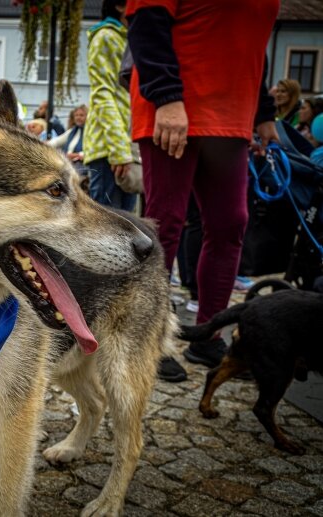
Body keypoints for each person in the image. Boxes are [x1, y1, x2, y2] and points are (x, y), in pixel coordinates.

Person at [127, 0, 279, 382]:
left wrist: (263, 112)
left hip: (232, 113)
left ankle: (207, 336)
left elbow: (252, 45)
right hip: (176, 105)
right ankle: (142, 339)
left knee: (230, 224)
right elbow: (147, 21)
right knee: (165, 224)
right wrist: (166, 97)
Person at [82, 0, 136, 212]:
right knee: (107, 229)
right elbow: (102, 93)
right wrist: (119, 150)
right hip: (109, 149)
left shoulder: (125, 37)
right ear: (120, 6)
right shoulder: (106, 37)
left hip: (121, 145)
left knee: (127, 226)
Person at [47, 104, 87, 171]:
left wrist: (76, 155)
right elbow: (57, 141)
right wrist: (41, 144)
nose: (78, 117)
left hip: (82, 165)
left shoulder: (89, 132)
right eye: (76, 115)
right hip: (69, 163)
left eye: (81, 115)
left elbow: (91, 151)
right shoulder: (72, 131)